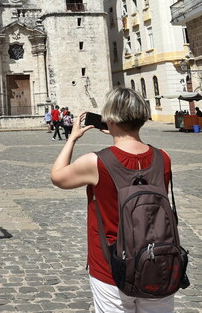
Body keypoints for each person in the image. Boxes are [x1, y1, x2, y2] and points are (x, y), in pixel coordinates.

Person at [50, 87, 176, 312]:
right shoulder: (163, 157)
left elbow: (58, 177)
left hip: (110, 264)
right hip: (157, 261)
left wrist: (72, 139)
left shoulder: (97, 162)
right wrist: (121, 132)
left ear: (109, 119)